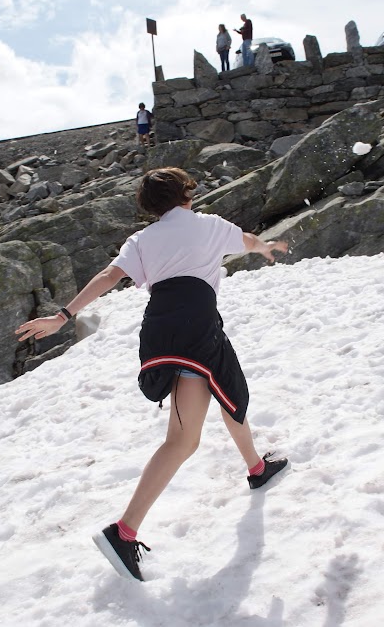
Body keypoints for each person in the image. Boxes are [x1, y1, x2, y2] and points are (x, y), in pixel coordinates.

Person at [15, 167, 290, 582]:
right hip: (197, 328)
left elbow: (110, 276)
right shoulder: (209, 226)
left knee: (226, 390)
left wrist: (63, 315)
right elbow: (247, 241)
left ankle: (256, 468)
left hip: (160, 331)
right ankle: (122, 533)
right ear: (186, 193)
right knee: (183, 439)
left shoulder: (142, 240)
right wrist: (263, 246)